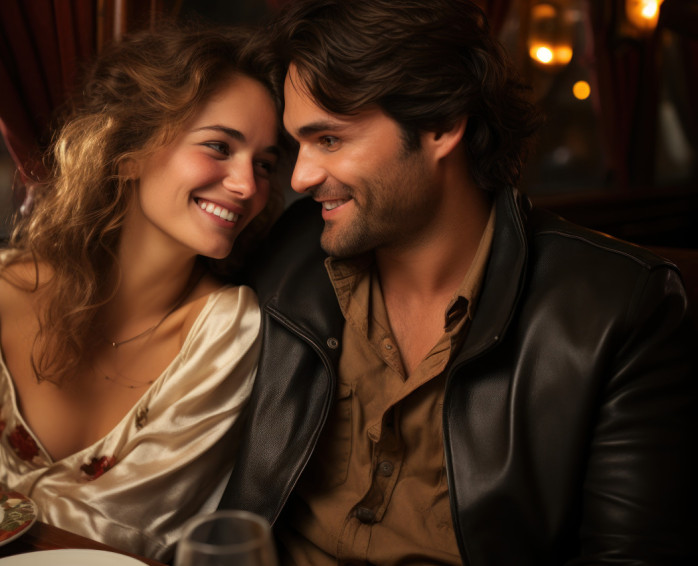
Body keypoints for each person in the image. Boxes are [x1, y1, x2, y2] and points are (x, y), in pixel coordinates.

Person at [217, 0, 698, 564]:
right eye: (298, 144)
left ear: (441, 124)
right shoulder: (289, 251)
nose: (300, 177)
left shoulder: (623, 309)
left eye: (330, 140)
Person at [0, 24, 283, 562]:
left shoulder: (227, 327)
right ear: (126, 151)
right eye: (219, 146)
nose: (248, 186)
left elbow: (122, 529)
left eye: (265, 164)